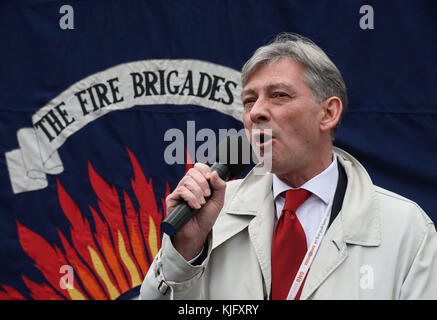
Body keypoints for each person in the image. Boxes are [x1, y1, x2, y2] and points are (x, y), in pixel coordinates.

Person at [140, 33, 437, 300]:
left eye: (279, 96)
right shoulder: (209, 214)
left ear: (328, 113)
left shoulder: (406, 227)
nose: (256, 112)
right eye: (248, 101)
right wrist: (184, 253)